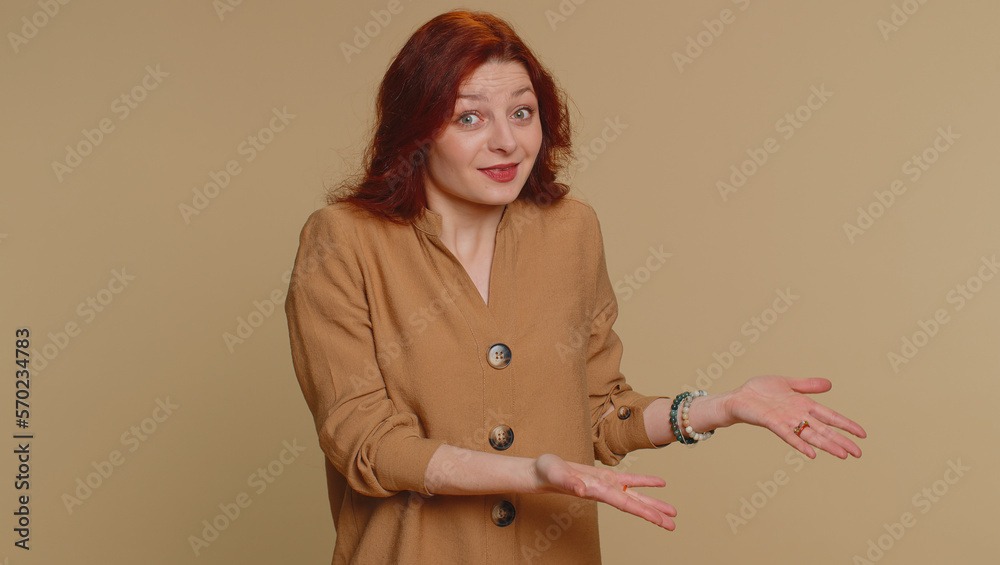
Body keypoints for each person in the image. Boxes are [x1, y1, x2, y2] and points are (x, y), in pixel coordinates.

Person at [284, 10, 866, 565]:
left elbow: (596, 409)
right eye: (469, 117)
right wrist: (532, 472)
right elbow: (366, 446)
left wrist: (721, 408)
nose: (506, 141)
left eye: (522, 112)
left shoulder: (570, 230)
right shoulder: (343, 241)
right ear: (416, 130)